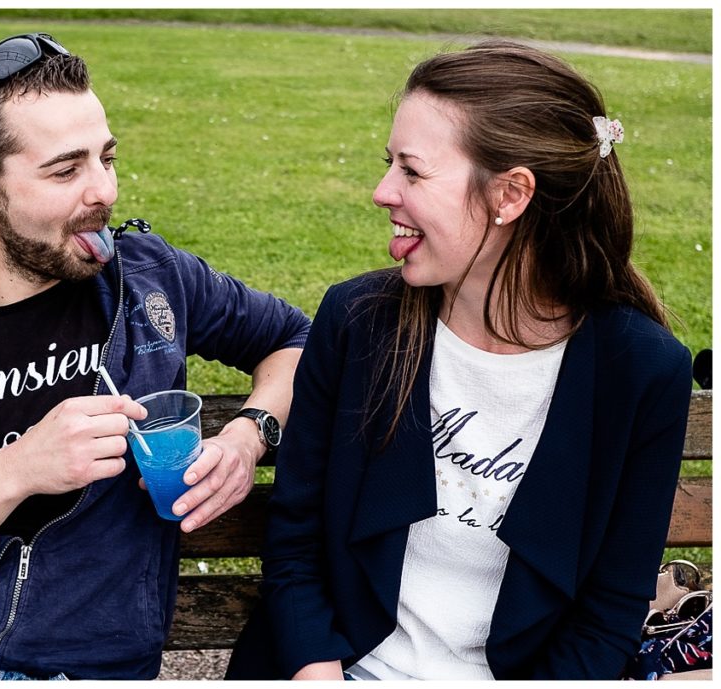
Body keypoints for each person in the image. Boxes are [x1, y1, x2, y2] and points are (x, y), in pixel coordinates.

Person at [0, 31, 310, 681]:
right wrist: (17, 469)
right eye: (66, 170)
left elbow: (299, 341)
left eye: (107, 158)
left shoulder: (150, 282)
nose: (103, 190)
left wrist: (249, 436)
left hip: (97, 668)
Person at [226, 40, 692, 681]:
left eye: (412, 172)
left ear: (510, 194)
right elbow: (296, 542)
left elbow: (608, 613)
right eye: (388, 164)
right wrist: (318, 671)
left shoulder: (639, 371)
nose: (381, 191)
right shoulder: (360, 321)